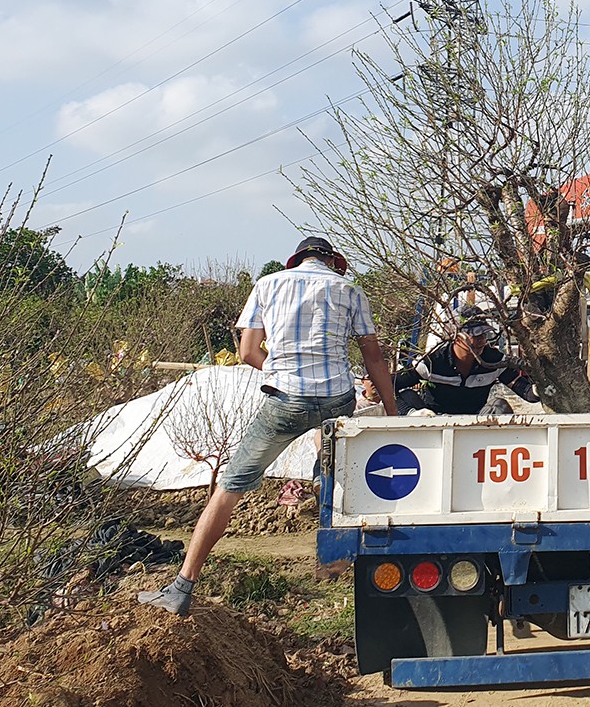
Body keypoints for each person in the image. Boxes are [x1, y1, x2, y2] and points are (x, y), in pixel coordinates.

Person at [139, 236, 397, 616]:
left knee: (228, 489)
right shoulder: (349, 289)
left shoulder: (267, 284)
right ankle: (333, 548)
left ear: (295, 261)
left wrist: (280, 371)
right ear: (333, 262)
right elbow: (372, 355)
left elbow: (247, 352)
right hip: (336, 399)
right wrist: (392, 412)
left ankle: (182, 586)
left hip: (285, 401)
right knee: (335, 467)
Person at [392, 304, 536, 415]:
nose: (482, 341)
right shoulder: (432, 362)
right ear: (455, 335)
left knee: (500, 406)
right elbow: (387, 387)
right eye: (475, 335)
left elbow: (525, 391)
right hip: (433, 423)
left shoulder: (495, 361)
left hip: (475, 423)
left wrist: (539, 390)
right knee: (407, 395)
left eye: (484, 334)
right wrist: (412, 413)